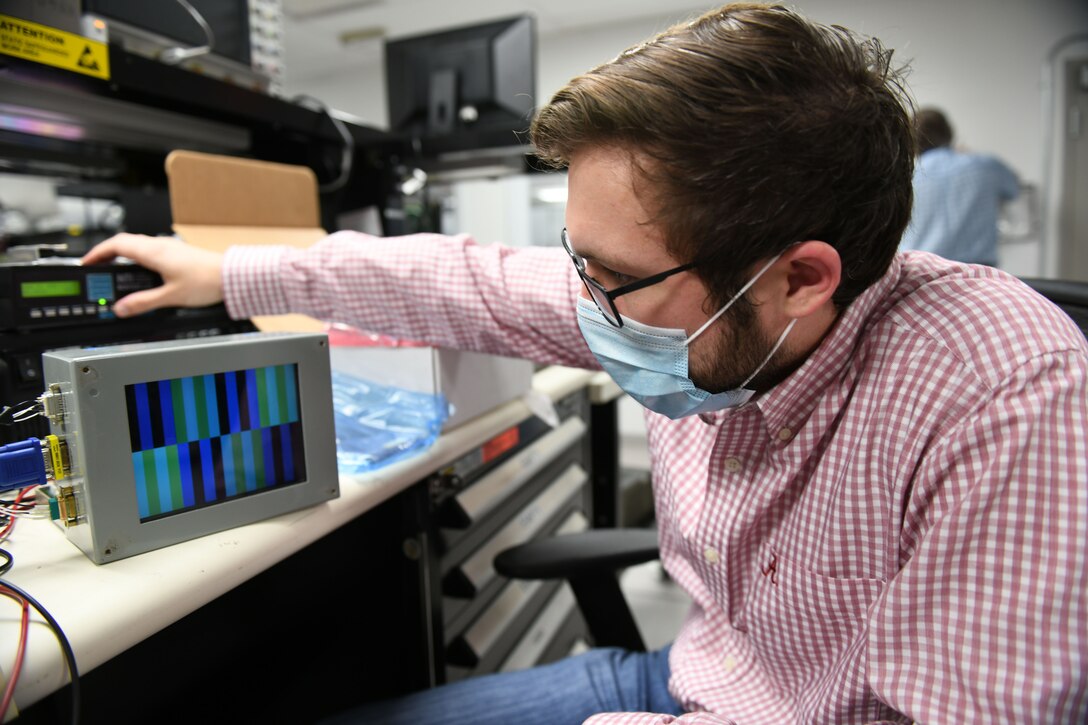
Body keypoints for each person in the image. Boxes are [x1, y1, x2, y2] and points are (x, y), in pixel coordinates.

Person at [82, 3, 1087, 723]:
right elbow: (453, 279)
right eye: (578, 263)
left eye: (612, 275)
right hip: (696, 671)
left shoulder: (1004, 390)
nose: (583, 303)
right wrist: (223, 270)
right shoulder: (682, 303)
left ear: (801, 277)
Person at [899, 107, 1021, 266]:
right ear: (950, 134)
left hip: (920, 271)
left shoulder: (906, 177)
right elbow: (1014, 188)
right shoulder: (986, 166)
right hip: (978, 273)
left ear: (912, 142)